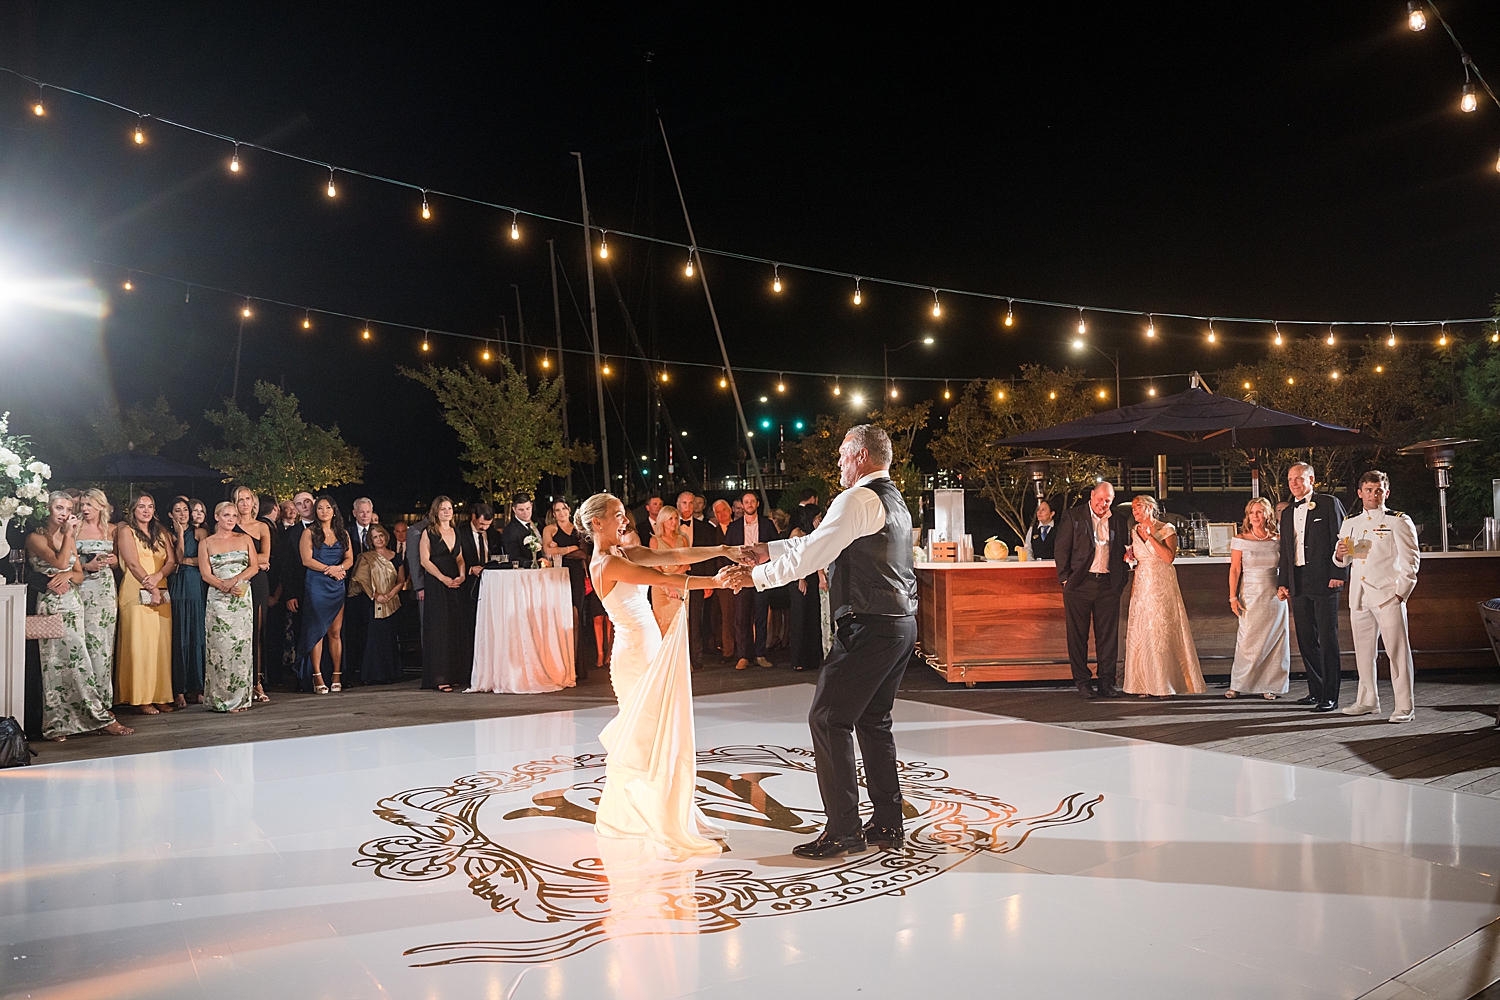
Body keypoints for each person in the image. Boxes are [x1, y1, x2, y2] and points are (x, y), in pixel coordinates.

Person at [724, 424, 918, 859]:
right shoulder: (895, 501)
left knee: (828, 719)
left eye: (843, 454)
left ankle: (845, 830)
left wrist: (756, 577)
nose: (838, 462)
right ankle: (888, 822)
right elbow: (815, 542)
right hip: (900, 623)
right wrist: (767, 552)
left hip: (870, 626)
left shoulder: (856, 498)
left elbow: (815, 554)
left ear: (862, 456)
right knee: (873, 720)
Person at [576, 491, 744, 859]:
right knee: (647, 738)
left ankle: (664, 811)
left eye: (623, 514)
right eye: (617, 515)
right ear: (597, 523)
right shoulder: (605, 564)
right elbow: (661, 578)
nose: (624, 520)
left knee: (661, 735)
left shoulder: (623, 552)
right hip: (634, 655)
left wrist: (721, 549)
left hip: (648, 646)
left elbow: (676, 556)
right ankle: (647, 816)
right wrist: (718, 582)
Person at [26, 492, 130, 741]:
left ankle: (97, 717)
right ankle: (57, 724)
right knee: (53, 664)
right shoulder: (35, 537)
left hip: (73, 603)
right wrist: (69, 539)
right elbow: (61, 562)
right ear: (48, 509)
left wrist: (69, 576)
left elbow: (78, 574)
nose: (64, 513)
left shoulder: (68, 536)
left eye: (68, 508)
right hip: (51, 604)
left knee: (78, 662)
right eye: (59, 508)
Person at [1334, 470, 1421, 722]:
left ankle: (1405, 706)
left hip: (1387, 596)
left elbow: (1411, 562)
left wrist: (1400, 595)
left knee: (1397, 653)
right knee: (1363, 653)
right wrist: (1340, 555)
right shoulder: (1351, 522)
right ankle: (1367, 700)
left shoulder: (1398, 521)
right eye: (1369, 490)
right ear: (1360, 493)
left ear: (1387, 492)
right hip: (1360, 597)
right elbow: (1352, 558)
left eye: (1379, 490)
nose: (1374, 495)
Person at [1276, 462, 1348, 712]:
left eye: (1299, 479)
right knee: (1306, 640)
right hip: (1298, 582)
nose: (1294, 484)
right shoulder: (1286, 513)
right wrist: (1283, 582)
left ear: (1311, 479)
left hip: (1325, 580)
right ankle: (1315, 691)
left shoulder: (1328, 503)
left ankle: (1331, 695)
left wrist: (1338, 572)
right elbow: (1285, 550)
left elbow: (1342, 539)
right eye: (1290, 480)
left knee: (1328, 639)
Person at [1121, 495, 1206, 697]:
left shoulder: (1166, 528)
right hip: (1142, 584)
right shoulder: (1134, 530)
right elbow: (1141, 559)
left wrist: (1151, 536)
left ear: (1150, 508)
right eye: (1133, 508)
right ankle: (1144, 683)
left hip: (1161, 583)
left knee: (1161, 632)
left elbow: (1168, 558)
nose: (1135, 511)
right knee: (1143, 633)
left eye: (1139, 507)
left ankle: (1165, 684)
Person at [1054, 482, 1130, 699]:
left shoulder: (1118, 520)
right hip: (1079, 584)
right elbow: (1061, 549)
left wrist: (1121, 579)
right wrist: (1065, 579)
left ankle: (1106, 683)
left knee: (1108, 637)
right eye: (1100, 499)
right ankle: (1083, 682)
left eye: (1107, 500)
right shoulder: (1073, 516)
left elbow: (1123, 552)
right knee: (1077, 636)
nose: (1102, 504)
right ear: (1092, 495)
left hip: (1108, 585)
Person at [115, 493, 177, 713]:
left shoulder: (160, 532)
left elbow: (171, 561)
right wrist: (150, 586)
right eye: (141, 506)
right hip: (137, 589)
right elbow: (132, 563)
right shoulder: (126, 531)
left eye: (150, 506)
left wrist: (158, 578)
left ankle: (160, 695)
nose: (146, 510)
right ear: (133, 510)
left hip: (160, 589)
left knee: (160, 645)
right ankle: (141, 698)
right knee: (140, 645)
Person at [1226, 497, 1290, 700]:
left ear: (1268, 515)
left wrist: (1284, 587)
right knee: (1247, 639)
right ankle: (1238, 684)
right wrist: (1232, 597)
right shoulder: (1240, 539)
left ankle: (1269, 684)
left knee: (1274, 640)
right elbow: (1235, 569)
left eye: (1260, 512)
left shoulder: (1278, 539)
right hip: (1250, 594)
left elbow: (1286, 567)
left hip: (1274, 596)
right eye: (1252, 512)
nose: (1255, 516)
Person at [201, 501, 258, 712]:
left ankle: (241, 698)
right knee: (221, 649)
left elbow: (254, 566)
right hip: (218, 599)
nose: (231, 519)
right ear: (217, 517)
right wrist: (223, 585)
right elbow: (206, 574)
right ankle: (221, 698)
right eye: (226, 515)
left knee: (241, 648)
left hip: (241, 597)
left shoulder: (245, 539)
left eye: (234, 516)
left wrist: (235, 581)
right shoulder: (206, 542)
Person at [296, 496, 352, 694]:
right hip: (317, 584)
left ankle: (337, 674)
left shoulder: (343, 533)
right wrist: (330, 569)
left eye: (328, 507)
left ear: (334, 510)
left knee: (335, 633)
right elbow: (306, 560)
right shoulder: (309, 533)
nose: (324, 511)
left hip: (337, 585)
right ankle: (317, 676)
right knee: (317, 632)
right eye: (320, 508)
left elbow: (350, 558)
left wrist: (340, 569)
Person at [723, 490, 781, 669]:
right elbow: (726, 552)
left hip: (762, 576)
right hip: (742, 576)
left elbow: (776, 548)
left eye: (751, 502)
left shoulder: (767, 525)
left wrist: (764, 560)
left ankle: (760, 654)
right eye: (745, 502)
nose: (749, 505)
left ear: (757, 504)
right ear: (742, 505)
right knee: (741, 616)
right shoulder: (734, 527)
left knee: (762, 615)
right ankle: (743, 655)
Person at [419, 495, 471, 691]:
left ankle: (456, 674)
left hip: (455, 584)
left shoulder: (456, 531)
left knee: (455, 627)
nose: (447, 512)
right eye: (443, 509)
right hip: (437, 584)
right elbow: (425, 561)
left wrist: (462, 575)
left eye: (449, 508)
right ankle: (440, 677)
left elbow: (459, 558)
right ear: (436, 512)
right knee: (440, 630)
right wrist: (443, 578)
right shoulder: (428, 532)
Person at [349, 522, 406, 684]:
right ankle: (374, 675)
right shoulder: (366, 558)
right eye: (375, 537)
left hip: (393, 602)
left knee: (390, 638)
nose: (379, 539)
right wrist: (377, 596)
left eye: (381, 535)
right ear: (370, 540)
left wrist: (390, 594)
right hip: (373, 604)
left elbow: (401, 579)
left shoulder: (395, 556)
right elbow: (360, 580)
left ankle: (392, 674)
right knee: (375, 639)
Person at [74, 489, 120, 694]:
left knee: (103, 641)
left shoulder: (112, 530)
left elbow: (119, 561)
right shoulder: (75, 529)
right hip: (80, 586)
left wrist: (113, 560)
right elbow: (66, 562)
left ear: (101, 506)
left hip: (105, 588)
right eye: (82, 504)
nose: (84, 508)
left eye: (89, 505)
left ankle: (102, 696)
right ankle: (83, 695)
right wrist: (85, 567)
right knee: (81, 639)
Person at [543, 498, 593, 678]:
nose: (561, 513)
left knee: (575, 617)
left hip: (576, 577)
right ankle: (559, 664)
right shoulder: (550, 529)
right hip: (557, 577)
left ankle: (575, 665)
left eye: (564, 509)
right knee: (558, 619)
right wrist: (570, 548)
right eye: (557, 510)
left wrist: (561, 550)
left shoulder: (578, 530)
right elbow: (548, 553)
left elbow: (583, 554)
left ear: (569, 510)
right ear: (553, 513)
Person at [233, 487, 273, 702]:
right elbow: (225, 555)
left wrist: (254, 561)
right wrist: (257, 562)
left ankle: (257, 682)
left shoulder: (262, 526)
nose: (245, 503)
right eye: (240, 500)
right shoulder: (230, 524)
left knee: (257, 631)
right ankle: (239, 680)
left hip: (257, 582)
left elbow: (267, 556)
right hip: (236, 580)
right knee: (238, 632)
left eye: (248, 499)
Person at [167, 496, 207, 707]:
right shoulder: (167, 535)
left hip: (195, 583)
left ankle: (197, 686)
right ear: (170, 515)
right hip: (176, 584)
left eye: (185, 510)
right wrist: (181, 535)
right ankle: (179, 689)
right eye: (178, 510)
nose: (183, 514)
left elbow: (205, 560)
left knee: (196, 633)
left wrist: (185, 561)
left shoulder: (200, 532)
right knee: (179, 634)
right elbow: (175, 561)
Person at [673, 491, 719, 670]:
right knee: (676, 619)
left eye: (691, 503)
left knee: (695, 620)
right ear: (678, 505)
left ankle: (694, 657)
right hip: (675, 579)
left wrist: (709, 583)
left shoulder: (704, 528)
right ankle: (676, 658)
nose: (688, 507)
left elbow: (708, 556)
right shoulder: (670, 525)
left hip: (697, 579)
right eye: (684, 503)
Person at [278, 491, 315, 681]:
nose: (305, 506)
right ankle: (304, 677)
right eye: (299, 504)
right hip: (300, 591)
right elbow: (287, 565)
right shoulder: (291, 533)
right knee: (302, 633)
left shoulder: (330, 527)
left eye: (307, 501)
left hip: (327, 589)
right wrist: (290, 594)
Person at [787, 501, 825, 671]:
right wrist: (800, 578)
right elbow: (793, 558)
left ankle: (812, 658)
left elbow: (817, 555)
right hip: (799, 578)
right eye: (817, 517)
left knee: (812, 616)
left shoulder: (814, 534)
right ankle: (798, 658)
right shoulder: (796, 533)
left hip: (812, 576)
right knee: (800, 618)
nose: (820, 520)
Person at [343, 497, 376, 684]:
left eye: (368, 512)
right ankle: (352, 670)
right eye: (361, 512)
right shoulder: (346, 532)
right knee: (352, 630)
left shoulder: (379, 532)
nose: (365, 515)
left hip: (373, 591)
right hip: (351, 589)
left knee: (370, 630)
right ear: (354, 513)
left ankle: (368, 670)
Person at [648, 506, 691, 635]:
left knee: (680, 625)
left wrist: (673, 577)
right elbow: (655, 566)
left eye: (676, 518)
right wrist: (667, 582)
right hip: (660, 586)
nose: (674, 522)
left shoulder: (683, 539)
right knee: (663, 624)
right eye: (670, 518)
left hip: (680, 584)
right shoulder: (654, 540)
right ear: (662, 521)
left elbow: (686, 563)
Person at [708, 498, 737, 660]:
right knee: (725, 615)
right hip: (722, 578)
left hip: (741, 576)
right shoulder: (713, 532)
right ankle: (728, 650)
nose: (721, 514)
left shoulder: (740, 527)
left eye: (723, 510)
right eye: (717, 512)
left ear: (730, 510)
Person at [502, 493, 543, 568]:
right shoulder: (510, 530)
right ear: (514, 509)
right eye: (521, 510)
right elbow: (514, 557)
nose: (526, 513)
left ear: (532, 505)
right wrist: (535, 562)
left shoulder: (538, 523)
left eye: (528, 508)